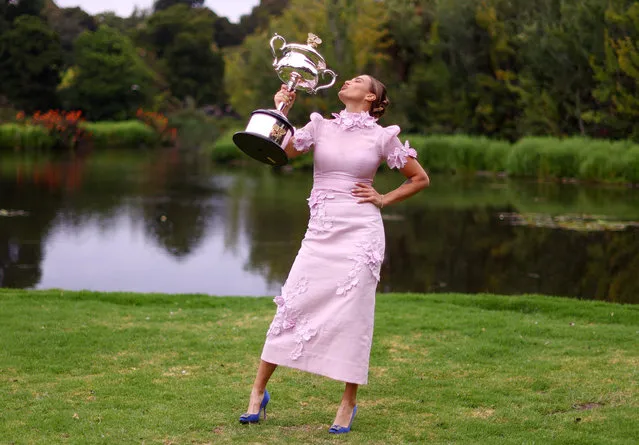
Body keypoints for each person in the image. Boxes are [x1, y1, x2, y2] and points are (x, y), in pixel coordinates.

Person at [239, 74, 430, 434]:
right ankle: (257, 392)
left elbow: (419, 178)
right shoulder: (320, 127)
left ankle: (348, 402)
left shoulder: (381, 137)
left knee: (353, 315)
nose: (346, 81)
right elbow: (280, 154)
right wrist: (282, 108)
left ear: (371, 96)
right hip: (320, 233)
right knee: (292, 304)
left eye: (357, 80)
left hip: (361, 234)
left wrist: (384, 198)